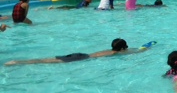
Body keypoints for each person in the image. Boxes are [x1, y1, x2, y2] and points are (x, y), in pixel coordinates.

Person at [5, 38, 153, 65]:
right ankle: (17, 62)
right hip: (81, 59)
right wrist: (148, 47)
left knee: (48, 60)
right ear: (122, 48)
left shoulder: (110, 50)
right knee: (49, 62)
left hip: (81, 54)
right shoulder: (118, 53)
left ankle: (18, 61)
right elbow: (137, 51)